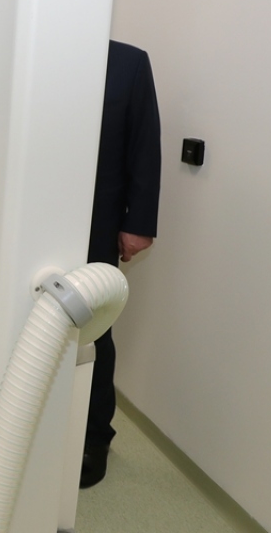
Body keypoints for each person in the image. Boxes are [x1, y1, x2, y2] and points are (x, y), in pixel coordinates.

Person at [80, 40, 162, 488]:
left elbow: (144, 146)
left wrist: (138, 223)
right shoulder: (28, 48)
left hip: (97, 221)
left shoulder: (128, 63)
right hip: (29, 217)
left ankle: (94, 438)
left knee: (93, 330)